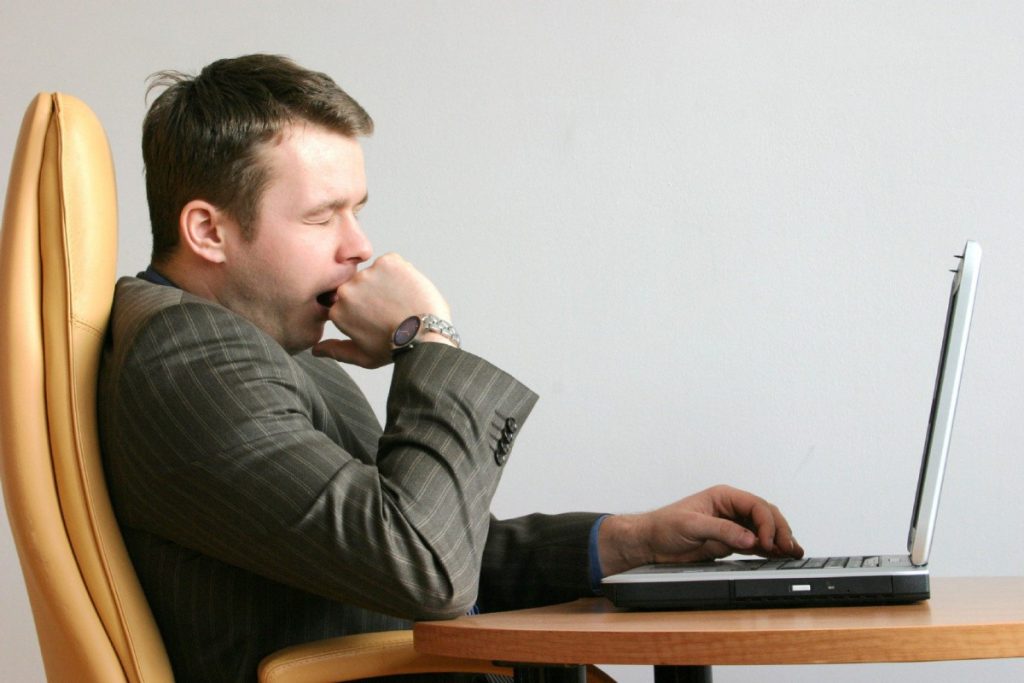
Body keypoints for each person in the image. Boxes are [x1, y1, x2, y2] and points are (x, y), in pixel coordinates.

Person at [98, 54, 803, 683]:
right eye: (322, 217)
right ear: (207, 230)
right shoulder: (190, 357)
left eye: (357, 211)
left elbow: (433, 544)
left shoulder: (268, 351)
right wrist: (429, 338)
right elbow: (423, 566)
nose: (359, 245)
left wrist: (633, 539)